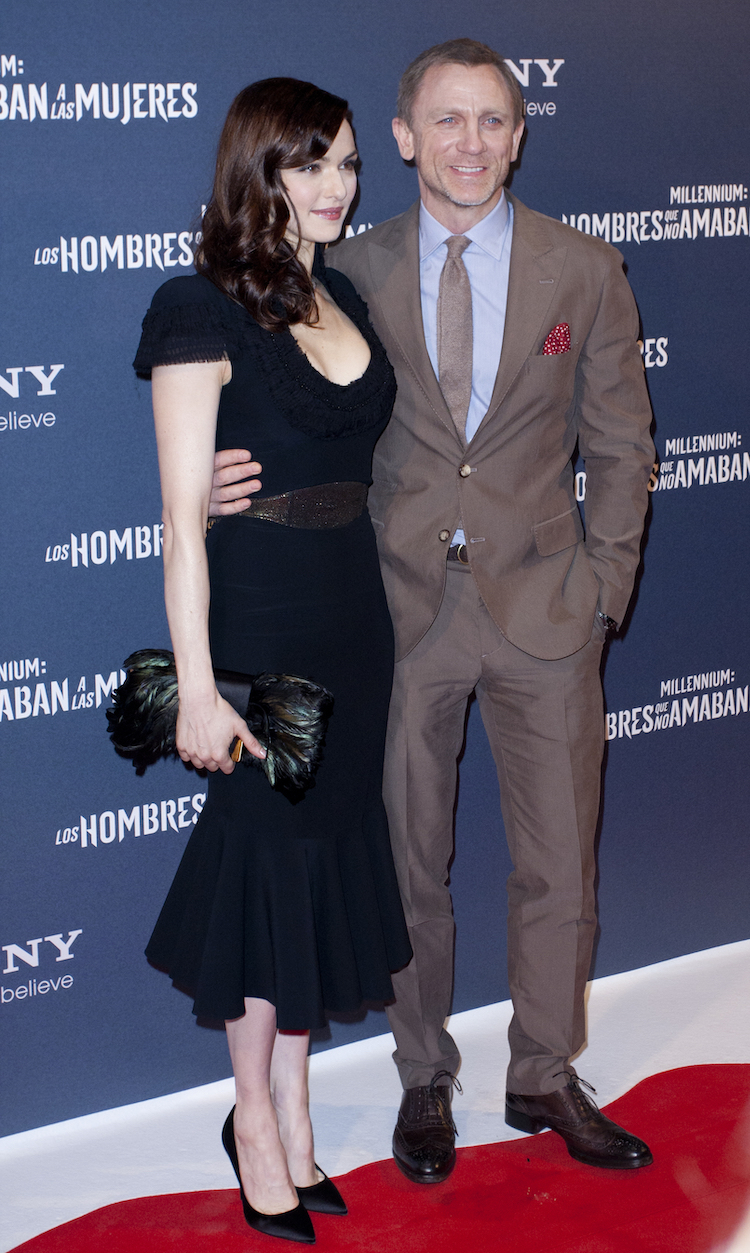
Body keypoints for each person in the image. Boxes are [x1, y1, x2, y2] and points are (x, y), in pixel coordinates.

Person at [209, 40, 657, 1185]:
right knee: (412, 860)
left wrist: (605, 586)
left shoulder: (585, 267)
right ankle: (425, 1075)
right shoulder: (344, 267)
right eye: (446, 121)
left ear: (520, 132)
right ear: (404, 137)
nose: (471, 143)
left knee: (560, 863)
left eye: (493, 121)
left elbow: (621, 443)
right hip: (394, 612)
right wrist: (213, 481)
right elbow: (269, 397)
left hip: (550, 610)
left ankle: (544, 1069)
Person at [133, 77, 411, 1243]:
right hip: (263, 636)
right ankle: (251, 1118)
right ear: (259, 170)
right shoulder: (199, 307)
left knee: (323, 866)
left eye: (347, 162)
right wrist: (196, 687)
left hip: (357, 618)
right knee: (267, 879)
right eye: (311, 165)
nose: (338, 185)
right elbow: (182, 519)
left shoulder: (339, 289)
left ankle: (296, 1106)